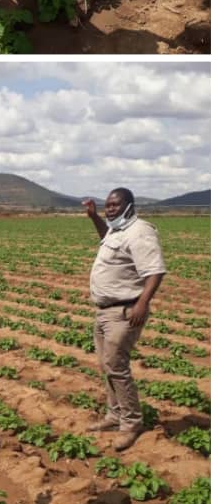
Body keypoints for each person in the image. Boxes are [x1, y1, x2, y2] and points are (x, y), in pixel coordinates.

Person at [83, 188, 167, 450]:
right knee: (108, 365)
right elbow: (106, 238)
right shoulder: (118, 231)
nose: (110, 209)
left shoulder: (140, 232)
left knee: (117, 366)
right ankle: (114, 414)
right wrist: (95, 218)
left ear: (129, 206)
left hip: (125, 311)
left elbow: (155, 271)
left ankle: (131, 423)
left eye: (115, 205)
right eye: (107, 205)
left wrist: (143, 303)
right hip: (106, 310)